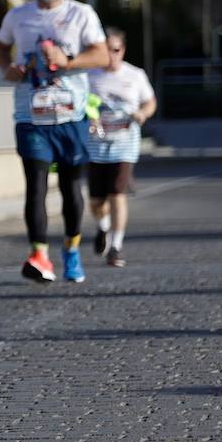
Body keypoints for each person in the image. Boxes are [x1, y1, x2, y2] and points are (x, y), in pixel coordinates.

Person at [0, 0, 108, 284]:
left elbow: (100, 54)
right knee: (35, 186)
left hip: (71, 114)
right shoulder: (18, 16)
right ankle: (39, 254)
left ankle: (71, 250)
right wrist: (7, 69)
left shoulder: (80, 13)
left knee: (71, 188)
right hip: (31, 116)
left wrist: (67, 61)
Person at [85, 27, 157, 268]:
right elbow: (80, 104)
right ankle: (103, 227)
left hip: (125, 144)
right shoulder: (89, 76)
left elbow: (150, 101)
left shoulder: (135, 75)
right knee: (96, 201)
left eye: (115, 50)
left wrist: (143, 113)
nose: (111, 54)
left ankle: (115, 246)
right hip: (96, 145)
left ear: (123, 50)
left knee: (117, 193)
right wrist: (89, 117)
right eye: (107, 50)